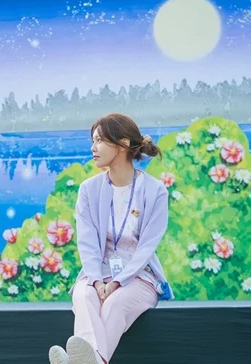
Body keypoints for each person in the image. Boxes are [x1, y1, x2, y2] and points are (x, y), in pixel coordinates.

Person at [48, 113, 173, 364]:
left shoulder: (155, 191)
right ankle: (95, 360)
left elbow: (147, 247)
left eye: (99, 141)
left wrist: (117, 282)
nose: (93, 148)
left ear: (123, 144)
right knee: (83, 296)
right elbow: (87, 243)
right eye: (92, 141)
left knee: (115, 303)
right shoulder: (89, 190)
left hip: (139, 277)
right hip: (96, 274)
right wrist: (96, 281)